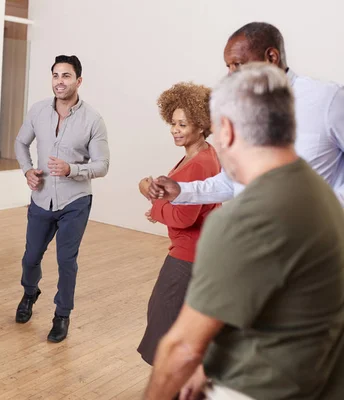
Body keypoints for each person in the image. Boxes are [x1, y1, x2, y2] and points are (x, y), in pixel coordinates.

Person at [143, 63, 344, 400]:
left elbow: (182, 349)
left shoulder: (243, 220)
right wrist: (207, 367)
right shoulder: (320, 194)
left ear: (228, 131)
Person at [142, 22, 344, 207]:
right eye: (228, 67)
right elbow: (232, 182)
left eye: (237, 64)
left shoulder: (328, 99)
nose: (231, 75)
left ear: (271, 58)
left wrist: (322, 215)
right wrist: (182, 190)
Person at [14, 55, 110, 343]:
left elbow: (102, 165)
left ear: (78, 81)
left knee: (66, 260)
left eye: (66, 76)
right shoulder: (38, 111)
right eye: (56, 75)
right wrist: (27, 169)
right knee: (31, 257)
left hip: (75, 201)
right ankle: (30, 293)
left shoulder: (93, 119)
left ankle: (62, 315)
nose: (60, 81)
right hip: (42, 198)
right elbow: (21, 142)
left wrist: (73, 169)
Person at [136, 83, 221, 365]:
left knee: (163, 319)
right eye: (173, 123)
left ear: (201, 125)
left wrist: (156, 205)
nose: (175, 129)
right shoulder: (199, 154)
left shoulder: (199, 162)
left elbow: (184, 217)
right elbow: (179, 201)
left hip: (187, 256)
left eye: (183, 124)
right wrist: (158, 200)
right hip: (199, 254)